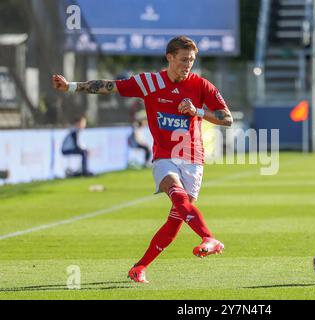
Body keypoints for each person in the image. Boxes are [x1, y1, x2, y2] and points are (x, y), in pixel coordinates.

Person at [52, 36, 233, 284]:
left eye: (191, 60)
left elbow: (226, 118)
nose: (187, 64)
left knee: (176, 219)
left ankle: (139, 268)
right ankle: (208, 237)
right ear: (169, 57)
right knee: (176, 193)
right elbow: (109, 86)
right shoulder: (150, 82)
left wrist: (197, 111)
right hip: (164, 156)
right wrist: (71, 86)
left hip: (193, 158)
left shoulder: (201, 85)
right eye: (183, 59)